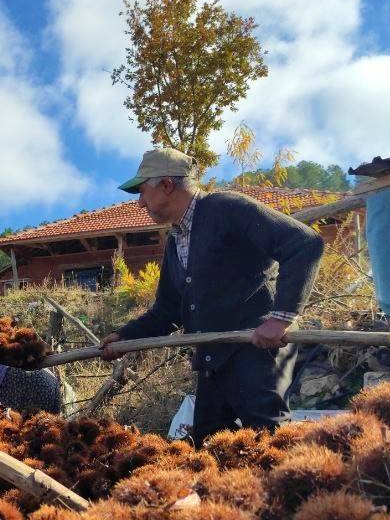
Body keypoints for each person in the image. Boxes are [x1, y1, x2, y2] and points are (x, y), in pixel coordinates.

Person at [100, 147, 324, 443]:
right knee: (210, 443)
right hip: (213, 358)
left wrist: (279, 319)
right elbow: (168, 309)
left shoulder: (226, 209)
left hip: (255, 349)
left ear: (166, 185)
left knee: (268, 437)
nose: (140, 203)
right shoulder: (176, 240)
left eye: (142, 192)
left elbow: (304, 244)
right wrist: (125, 337)